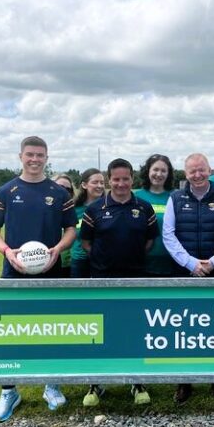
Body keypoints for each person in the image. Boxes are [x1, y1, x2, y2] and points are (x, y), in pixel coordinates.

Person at [0, 136, 77, 422]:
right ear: (20, 156)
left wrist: (59, 249)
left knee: (52, 327)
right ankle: (9, 390)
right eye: (30, 155)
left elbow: (71, 229)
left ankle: (51, 384)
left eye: (40, 155)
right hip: (14, 270)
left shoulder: (58, 193)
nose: (35, 159)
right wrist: (7, 251)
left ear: (47, 157)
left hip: (51, 269)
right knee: (9, 331)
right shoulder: (6, 191)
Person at [79, 158, 157, 406]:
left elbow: (149, 241)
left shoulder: (144, 208)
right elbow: (86, 243)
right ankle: (96, 383)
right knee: (100, 331)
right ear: (109, 179)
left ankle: (137, 382)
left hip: (135, 278)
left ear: (132, 179)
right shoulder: (94, 209)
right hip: (102, 279)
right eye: (116, 179)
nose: (121, 183)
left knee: (134, 329)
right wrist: (105, 262)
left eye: (125, 179)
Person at [162, 152, 214, 404]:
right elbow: (168, 235)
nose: (197, 174)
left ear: (210, 169)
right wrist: (191, 263)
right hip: (185, 272)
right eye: (192, 171)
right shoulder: (175, 198)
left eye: (201, 169)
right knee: (184, 327)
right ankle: (184, 382)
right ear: (186, 174)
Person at [135, 154, 176, 277]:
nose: (159, 174)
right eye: (155, 169)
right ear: (148, 171)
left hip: (172, 261)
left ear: (168, 174)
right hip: (143, 262)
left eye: (163, 170)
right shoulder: (136, 197)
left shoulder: (176, 197)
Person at [69, 168, 105, 278]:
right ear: (84, 185)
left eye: (102, 183)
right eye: (95, 182)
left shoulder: (110, 207)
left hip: (104, 260)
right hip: (80, 260)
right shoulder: (74, 209)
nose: (99, 186)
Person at [53, 173, 76, 278]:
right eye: (60, 187)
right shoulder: (42, 211)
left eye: (68, 189)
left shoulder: (77, 211)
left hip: (72, 265)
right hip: (48, 264)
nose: (64, 191)